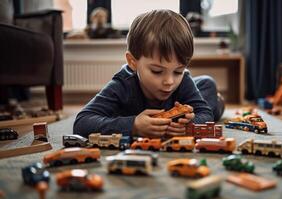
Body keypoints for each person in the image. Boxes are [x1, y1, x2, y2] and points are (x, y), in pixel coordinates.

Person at [73, 9, 225, 139]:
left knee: (208, 85)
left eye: (178, 71)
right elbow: (82, 122)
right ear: (133, 62)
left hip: (193, 92)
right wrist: (133, 126)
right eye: (157, 71)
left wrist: (190, 125)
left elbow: (205, 114)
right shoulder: (122, 84)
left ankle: (218, 101)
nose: (169, 81)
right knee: (207, 88)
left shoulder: (183, 81)